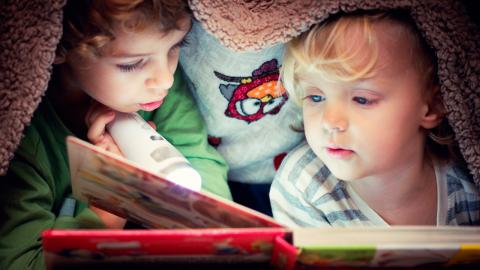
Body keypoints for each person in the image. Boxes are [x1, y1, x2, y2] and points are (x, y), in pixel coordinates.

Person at [0, 0, 231, 268]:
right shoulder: (25, 140)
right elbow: (24, 262)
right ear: (59, 47)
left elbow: (205, 175)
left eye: (175, 46)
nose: (165, 78)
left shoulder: (158, 96)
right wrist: (114, 196)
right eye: (132, 64)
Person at [270, 10, 480, 227]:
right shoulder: (302, 186)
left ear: (432, 106)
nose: (330, 122)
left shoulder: (468, 184)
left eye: (362, 99)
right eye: (315, 97)